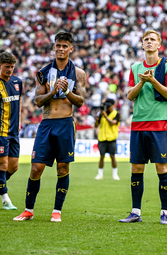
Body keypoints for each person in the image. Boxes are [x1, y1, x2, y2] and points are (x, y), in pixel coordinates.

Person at [14, 32, 86, 222]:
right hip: (46, 124)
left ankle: (57, 211)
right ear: (54, 47)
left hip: (65, 123)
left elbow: (80, 102)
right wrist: (53, 91)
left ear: (71, 48)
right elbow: (38, 101)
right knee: (36, 168)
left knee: (63, 168)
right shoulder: (43, 72)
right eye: (58, 45)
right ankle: (28, 210)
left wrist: (67, 92)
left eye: (65, 46)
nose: (61, 49)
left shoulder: (79, 73)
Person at [119, 30, 167, 224]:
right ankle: (136, 212)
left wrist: (152, 80)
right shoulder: (135, 68)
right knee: (137, 168)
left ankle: (165, 213)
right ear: (142, 44)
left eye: (153, 39)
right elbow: (129, 95)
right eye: (146, 40)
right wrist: (142, 82)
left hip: (159, 125)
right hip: (138, 125)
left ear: (159, 44)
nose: (149, 42)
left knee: (162, 168)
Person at [0, 52, 22, 210]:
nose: (10, 70)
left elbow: (19, 102)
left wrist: (19, 120)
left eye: (12, 67)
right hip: (1, 131)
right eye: (7, 67)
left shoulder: (17, 82)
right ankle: (5, 199)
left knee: (13, 166)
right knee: (3, 164)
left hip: (14, 131)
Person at [94, 99, 121, 180]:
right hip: (102, 137)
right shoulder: (101, 114)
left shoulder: (116, 114)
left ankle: (115, 174)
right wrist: (97, 119)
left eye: (109, 106)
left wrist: (105, 116)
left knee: (112, 156)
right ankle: (100, 174)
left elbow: (113, 123)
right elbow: (96, 125)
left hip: (111, 138)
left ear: (113, 105)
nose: (107, 107)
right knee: (101, 156)